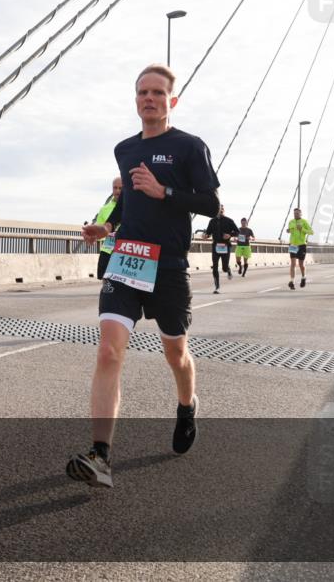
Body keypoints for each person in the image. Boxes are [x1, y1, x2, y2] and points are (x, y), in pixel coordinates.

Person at [71, 64, 220, 488]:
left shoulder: (190, 147)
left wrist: (165, 192)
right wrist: (108, 227)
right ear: (135, 100)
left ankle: (187, 404)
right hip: (127, 260)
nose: (148, 99)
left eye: (157, 92)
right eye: (142, 93)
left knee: (175, 354)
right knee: (108, 353)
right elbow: (129, 203)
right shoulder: (125, 149)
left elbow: (211, 205)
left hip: (169, 267)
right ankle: (100, 456)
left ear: (172, 101)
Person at [202, 205, 239, 293]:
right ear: (217, 210)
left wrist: (230, 235)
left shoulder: (229, 221)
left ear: (224, 210)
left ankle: (228, 270)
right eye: (219, 209)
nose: (221, 211)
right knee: (215, 267)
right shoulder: (212, 221)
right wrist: (205, 236)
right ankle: (217, 287)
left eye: (222, 209)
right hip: (215, 246)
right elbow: (208, 233)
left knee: (224, 268)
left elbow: (238, 232)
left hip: (226, 246)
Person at [92, 177, 123, 279]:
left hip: (123, 252)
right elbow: (98, 231)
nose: (118, 191)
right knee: (106, 286)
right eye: (115, 188)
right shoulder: (104, 209)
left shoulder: (131, 208)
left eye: (120, 188)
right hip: (107, 250)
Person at [285, 208, 313, 290]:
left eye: (297, 213)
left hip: (302, 245)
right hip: (293, 245)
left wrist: (302, 229)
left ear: (301, 214)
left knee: (301, 264)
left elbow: (311, 232)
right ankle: (292, 281)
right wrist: (288, 230)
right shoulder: (291, 221)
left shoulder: (304, 222)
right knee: (293, 264)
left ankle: (303, 277)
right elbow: (290, 230)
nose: (295, 214)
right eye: (294, 213)